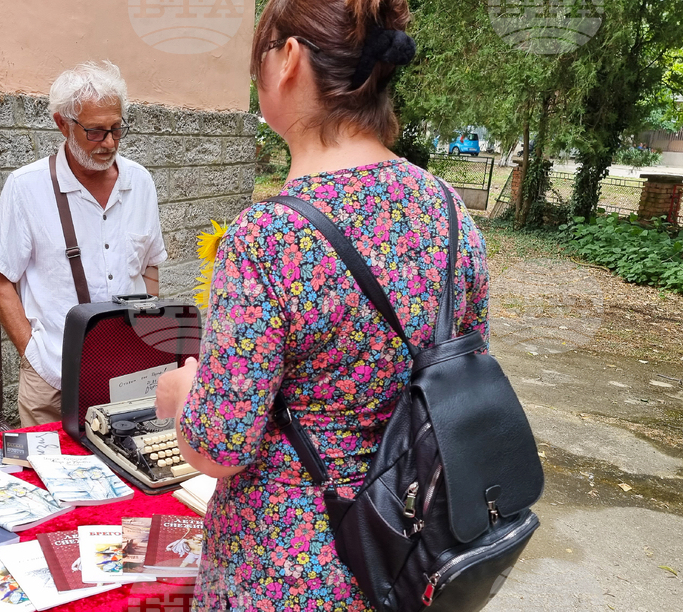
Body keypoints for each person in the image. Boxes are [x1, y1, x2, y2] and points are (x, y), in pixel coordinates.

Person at [155, 0, 490, 610]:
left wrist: (182, 391)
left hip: (286, 571)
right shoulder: (451, 215)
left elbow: (217, 448)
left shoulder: (269, 236)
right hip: (405, 556)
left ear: (287, 60)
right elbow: (460, 382)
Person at [0, 61, 167, 426]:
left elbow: (148, 264)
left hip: (126, 374)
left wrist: (144, 344)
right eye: (96, 132)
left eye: (117, 129)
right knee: (50, 475)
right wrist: (31, 352)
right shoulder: (26, 187)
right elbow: (0, 279)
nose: (110, 143)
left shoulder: (140, 182)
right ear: (62, 124)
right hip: (52, 376)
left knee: (127, 471)